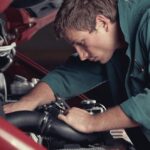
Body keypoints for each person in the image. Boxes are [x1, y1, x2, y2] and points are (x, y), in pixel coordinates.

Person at [4, 0, 150, 143]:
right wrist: (26, 103)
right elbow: (66, 77)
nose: (81, 55)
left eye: (82, 43)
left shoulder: (146, 23)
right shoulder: (111, 44)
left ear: (102, 23)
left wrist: (91, 122)